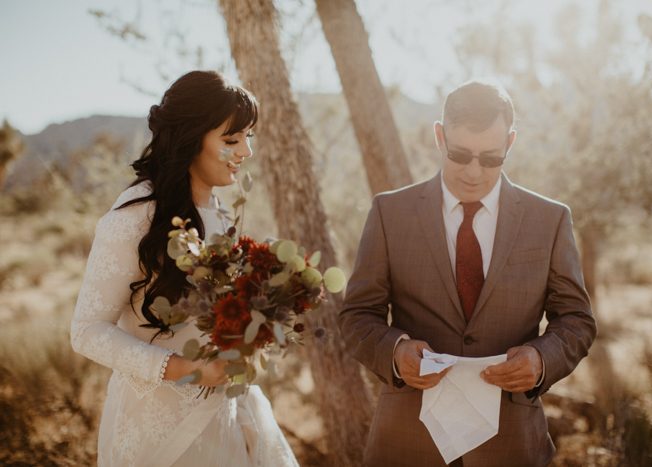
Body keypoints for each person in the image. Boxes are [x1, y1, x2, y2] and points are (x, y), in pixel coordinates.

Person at [340, 80, 597, 467]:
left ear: (510, 143)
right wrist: (395, 352)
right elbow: (356, 316)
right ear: (439, 136)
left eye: (491, 158)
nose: (474, 172)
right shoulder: (390, 213)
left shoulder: (550, 220)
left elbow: (577, 320)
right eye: (460, 155)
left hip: (510, 443)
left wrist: (541, 360)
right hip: (406, 442)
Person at [70, 70, 298, 467]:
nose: (246, 151)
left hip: (221, 417)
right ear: (191, 140)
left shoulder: (221, 215)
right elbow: (86, 331)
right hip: (155, 433)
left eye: (249, 137)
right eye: (231, 140)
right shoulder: (136, 217)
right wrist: (185, 369)